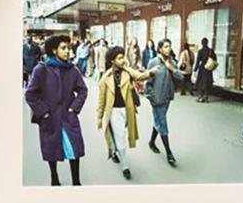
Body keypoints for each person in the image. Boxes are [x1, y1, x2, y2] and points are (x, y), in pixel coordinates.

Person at [24, 34, 87, 186]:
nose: (67, 51)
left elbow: (83, 90)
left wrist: (74, 108)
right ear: (54, 50)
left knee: (74, 149)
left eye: (69, 48)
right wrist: (43, 112)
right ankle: (54, 177)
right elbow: (30, 93)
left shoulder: (72, 70)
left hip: (68, 117)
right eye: (63, 48)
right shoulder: (42, 69)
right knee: (51, 149)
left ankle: (76, 181)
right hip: (50, 118)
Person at [95, 46, 155, 180]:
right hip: (114, 112)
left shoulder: (127, 72)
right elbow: (101, 100)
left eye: (123, 57)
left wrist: (151, 72)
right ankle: (125, 166)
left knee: (122, 134)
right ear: (112, 60)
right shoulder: (105, 78)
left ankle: (116, 152)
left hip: (128, 110)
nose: (123, 60)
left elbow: (140, 75)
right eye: (120, 58)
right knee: (120, 136)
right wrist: (99, 117)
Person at [145, 38, 181, 166]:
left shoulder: (172, 62)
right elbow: (147, 83)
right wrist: (152, 97)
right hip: (157, 100)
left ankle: (151, 142)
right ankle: (169, 153)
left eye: (169, 46)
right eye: (165, 46)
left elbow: (180, 77)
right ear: (160, 49)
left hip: (167, 98)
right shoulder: (153, 62)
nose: (168, 49)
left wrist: (171, 69)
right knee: (163, 124)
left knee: (159, 121)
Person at [194, 38, 216, 102]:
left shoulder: (200, 51)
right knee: (207, 82)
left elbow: (198, 61)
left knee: (200, 82)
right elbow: (215, 58)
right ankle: (206, 97)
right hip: (208, 68)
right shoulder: (211, 50)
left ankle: (200, 96)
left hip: (202, 68)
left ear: (202, 43)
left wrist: (195, 69)